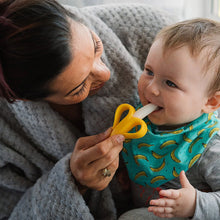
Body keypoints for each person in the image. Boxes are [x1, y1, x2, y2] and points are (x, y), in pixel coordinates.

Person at [0, 0, 174, 219]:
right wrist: (75, 182)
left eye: (96, 45)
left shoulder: (151, 30)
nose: (106, 73)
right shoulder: (5, 132)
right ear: (28, 99)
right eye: (79, 87)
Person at [119, 18, 220, 220]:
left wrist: (194, 205)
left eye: (170, 83)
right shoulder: (137, 120)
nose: (151, 88)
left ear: (210, 102)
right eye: (149, 72)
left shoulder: (210, 148)